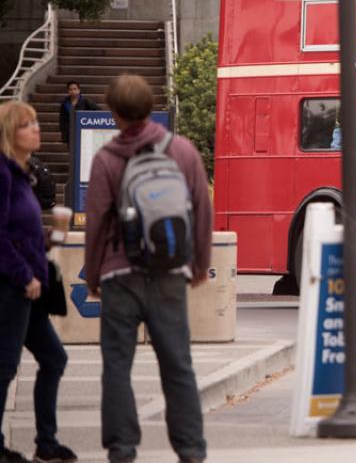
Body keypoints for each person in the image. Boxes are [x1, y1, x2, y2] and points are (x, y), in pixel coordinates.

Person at [84, 75, 211, 463]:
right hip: (170, 273)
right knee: (177, 364)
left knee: (117, 366)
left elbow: (97, 223)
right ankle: (190, 450)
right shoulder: (183, 151)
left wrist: (93, 276)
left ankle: (122, 450)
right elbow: (202, 211)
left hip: (120, 276)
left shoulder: (106, 159)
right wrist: (200, 265)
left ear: (115, 113)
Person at [0, 102, 76, 463]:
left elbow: (17, 230)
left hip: (30, 287)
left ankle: (47, 442)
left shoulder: (22, 174)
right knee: (4, 366)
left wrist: (47, 237)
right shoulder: (2, 175)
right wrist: (23, 273)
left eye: (35, 123)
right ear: (9, 134)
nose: (36, 129)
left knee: (54, 357)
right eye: (26, 125)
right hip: (11, 287)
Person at [58, 82, 98, 147]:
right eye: (70, 89)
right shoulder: (65, 103)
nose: (73, 91)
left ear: (79, 90)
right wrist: (63, 130)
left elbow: (97, 110)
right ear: (68, 91)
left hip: (83, 131)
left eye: (75, 89)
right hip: (70, 132)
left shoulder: (85, 101)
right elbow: (62, 118)